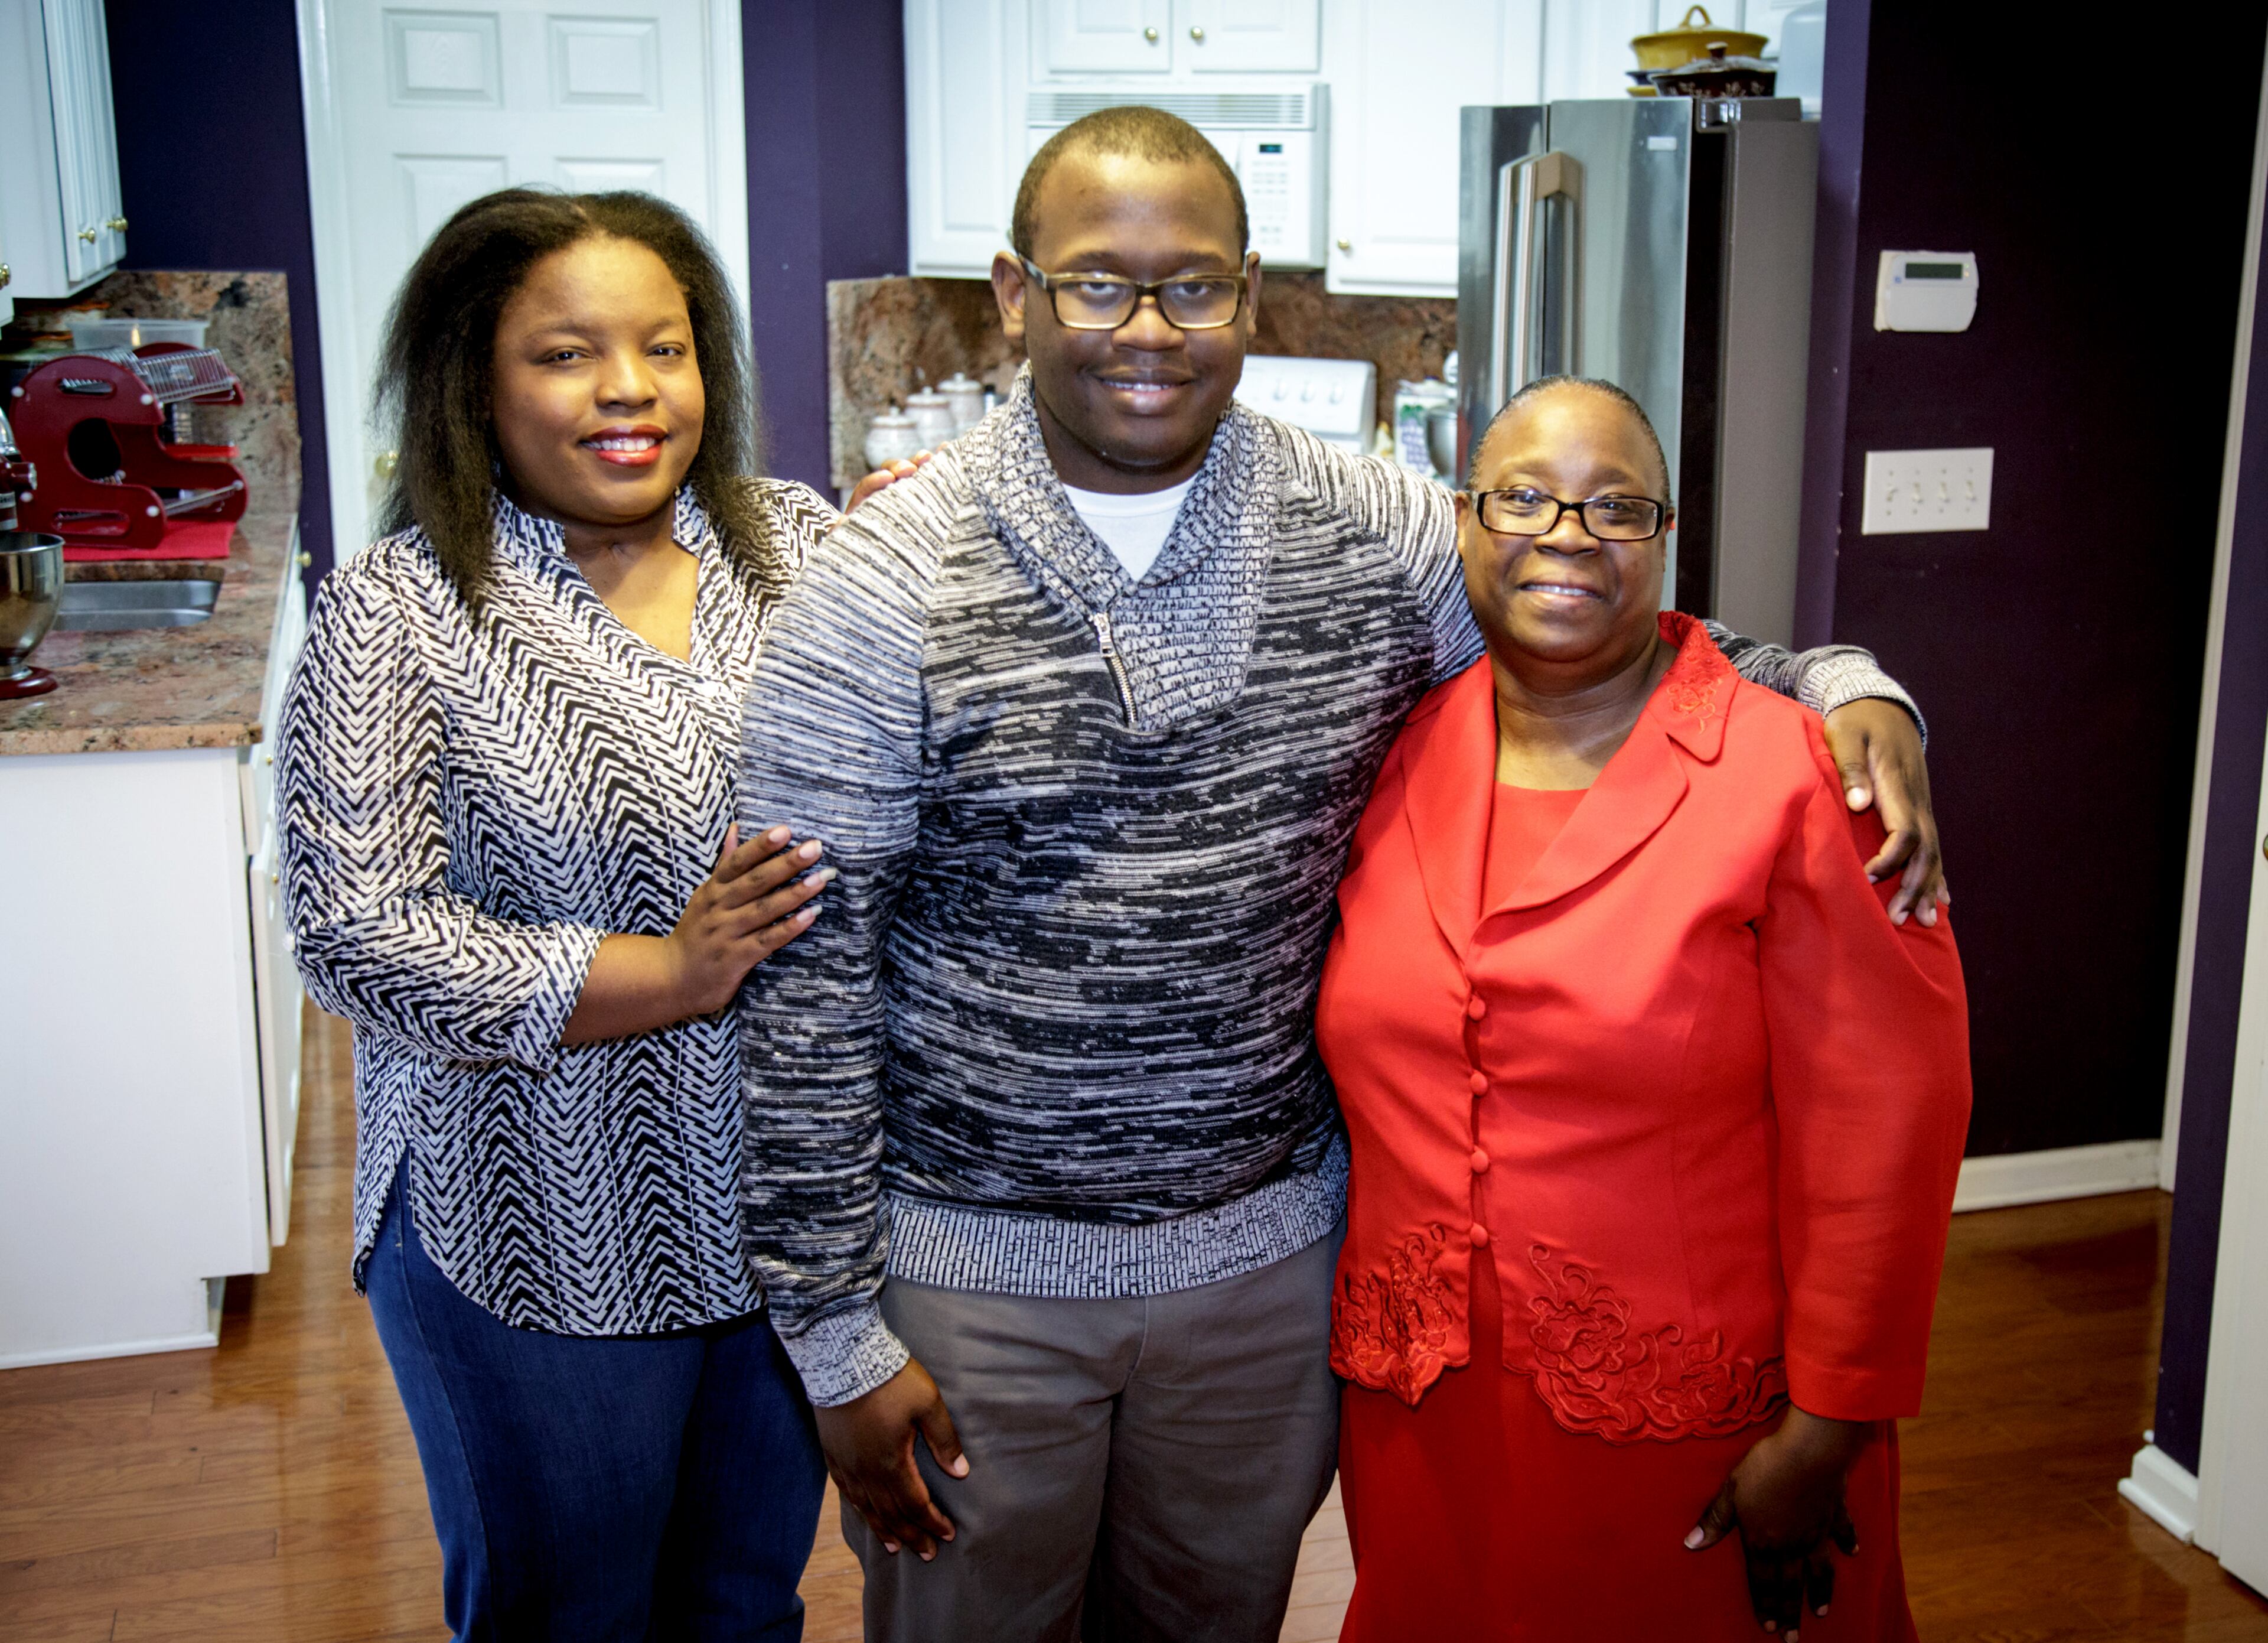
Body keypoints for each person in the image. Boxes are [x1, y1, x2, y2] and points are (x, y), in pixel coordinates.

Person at [733, 106, 1947, 1643]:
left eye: (1198, 286)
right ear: (1014, 295)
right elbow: (799, 970)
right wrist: (834, 1332)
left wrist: (1848, 677)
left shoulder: (1369, 526)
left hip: (1270, 1274)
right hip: (982, 1284)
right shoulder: (877, 578)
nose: (1149, 330)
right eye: (1100, 284)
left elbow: (1592, 625)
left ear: (1253, 297)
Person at [276, 188, 848, 1641]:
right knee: (566, 1615)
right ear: (476, 377)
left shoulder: (794, 545)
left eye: (664, 346)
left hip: (784, 1215)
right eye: (567, 354)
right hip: (536, 1220)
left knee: (742, 1600)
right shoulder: (399, 609)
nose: (629, 392)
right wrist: (672, 966)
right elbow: (357, 929)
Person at [1317, 376, 1972, 1641]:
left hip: (1698, 1420)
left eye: (1617, 505)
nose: (1568, 533)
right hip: (1423, 1410)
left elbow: (1891, 1121)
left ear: (1665, 539)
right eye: (1527, 497)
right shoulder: (1399, 749)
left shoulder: (1799, 774)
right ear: (1464, 522)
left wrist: (1829, 1423)